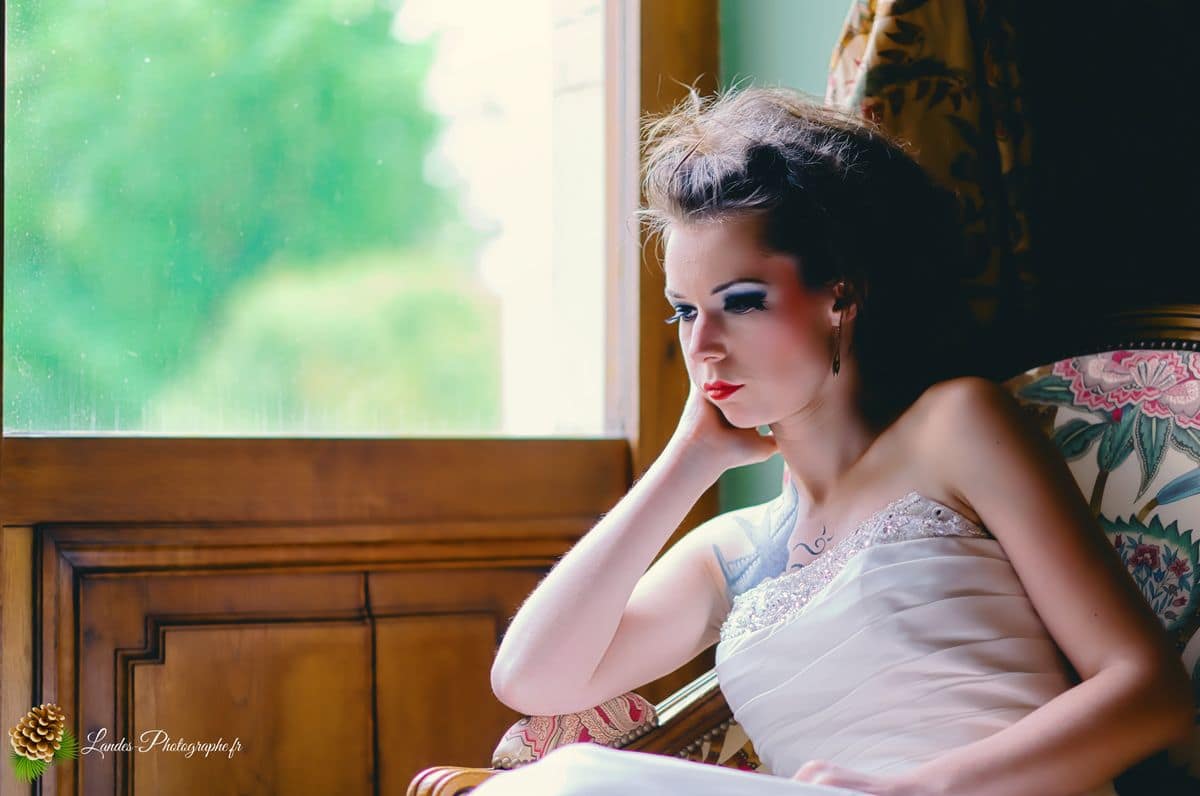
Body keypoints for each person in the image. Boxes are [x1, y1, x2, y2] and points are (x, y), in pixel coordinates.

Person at [476, 86, 1191, 796]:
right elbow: (532, 678)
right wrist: (687, 461)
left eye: (742, 303)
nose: (705, 346)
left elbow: (1149, 693)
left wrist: (919, 790)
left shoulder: (956, 427)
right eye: (684, 313)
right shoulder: (732, 554)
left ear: (840, 295)